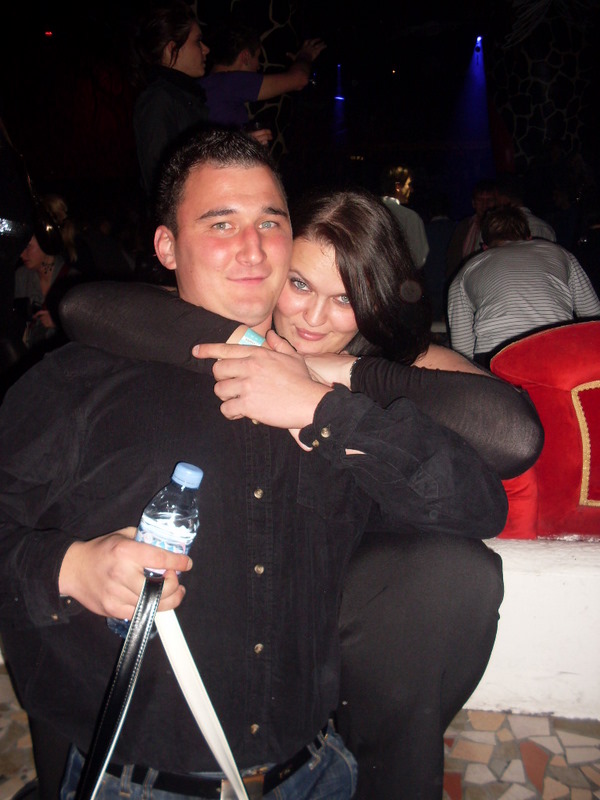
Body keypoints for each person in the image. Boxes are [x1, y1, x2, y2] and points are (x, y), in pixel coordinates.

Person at [0, 129, 508, 800]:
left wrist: (322, 411)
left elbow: (476, 507)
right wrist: (71, 568)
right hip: (141, 785)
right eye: (221, 223)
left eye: (270, 222)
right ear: (167, 247)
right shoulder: (80, 381)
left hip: (319, 773)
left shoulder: (328, 404)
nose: (253, 247)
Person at [447, 204, 600, 366]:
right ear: (529, 238)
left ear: (485, 247)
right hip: (556, 349)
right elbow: (593, 316)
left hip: (496, 356)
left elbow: (462, 349)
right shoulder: (559, 253)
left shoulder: (467, 270)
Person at [129, 1, 210, 199]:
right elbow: (161, 182)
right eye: (197, 42)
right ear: (172, 49)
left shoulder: (184, 95)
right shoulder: (158, 101)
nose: (206, 49)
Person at [199, 21, 326, 146]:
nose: (259, 66)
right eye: (257, 57)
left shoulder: (210, 83)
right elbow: (299, 79)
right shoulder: (231, 82)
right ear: (245, 57)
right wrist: (305, 56)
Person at [446, 177, 497, 281]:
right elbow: (453, 259)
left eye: (489, 200)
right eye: (480, 200)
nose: (485, 205)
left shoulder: (501, 228)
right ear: (473, 203)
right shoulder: (464, 226)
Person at [380, 164, 429, 268]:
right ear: (398, 187)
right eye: (409, 184)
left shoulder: (367, 210)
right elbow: (419, 257)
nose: (411, 190)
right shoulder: (409, 217)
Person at [494, 171, 557, 243]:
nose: (494, 204)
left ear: (503, 199)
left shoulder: (500, 230)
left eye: (495, 199)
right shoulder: (545, 228)